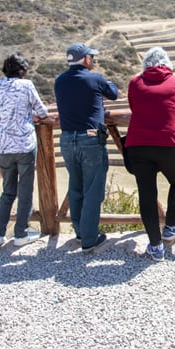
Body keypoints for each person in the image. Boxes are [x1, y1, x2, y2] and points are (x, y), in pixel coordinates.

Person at [124, 47, 175, 262]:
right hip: (168, 144)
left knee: (147, 194)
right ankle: (170, 227)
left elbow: (133, 105)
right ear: (167, 64)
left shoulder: (135, 82)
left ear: (145, 65)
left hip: (138, 145)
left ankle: (156, 247)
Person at [54, 42, 119, 253]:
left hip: (66, 139)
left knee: (75, 187)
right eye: (91, 56)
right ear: (86, 59)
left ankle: (80, 232)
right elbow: (114, 93)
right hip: (91, 138)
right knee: (93, 190)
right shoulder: (96, 78)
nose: (93, 59)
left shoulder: (59, 81)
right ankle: (89, 239)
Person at [0, 53, 52, 248]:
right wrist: (27, 113)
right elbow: (42, 112)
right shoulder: (26, 85)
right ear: (22, 71)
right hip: (23, 144)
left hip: (2, 145)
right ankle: (21, 233)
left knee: (7, 190)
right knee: (25, 190)